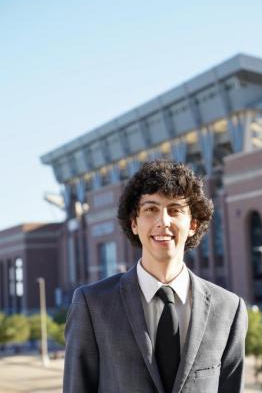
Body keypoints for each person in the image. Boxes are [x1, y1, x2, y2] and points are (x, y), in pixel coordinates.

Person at [63, 160, 248, 393]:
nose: (163, 221)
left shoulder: (229, 309)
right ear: (134, 223)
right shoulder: (93, 305)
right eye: (151, 209)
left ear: (192, 224)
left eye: (175, 210)